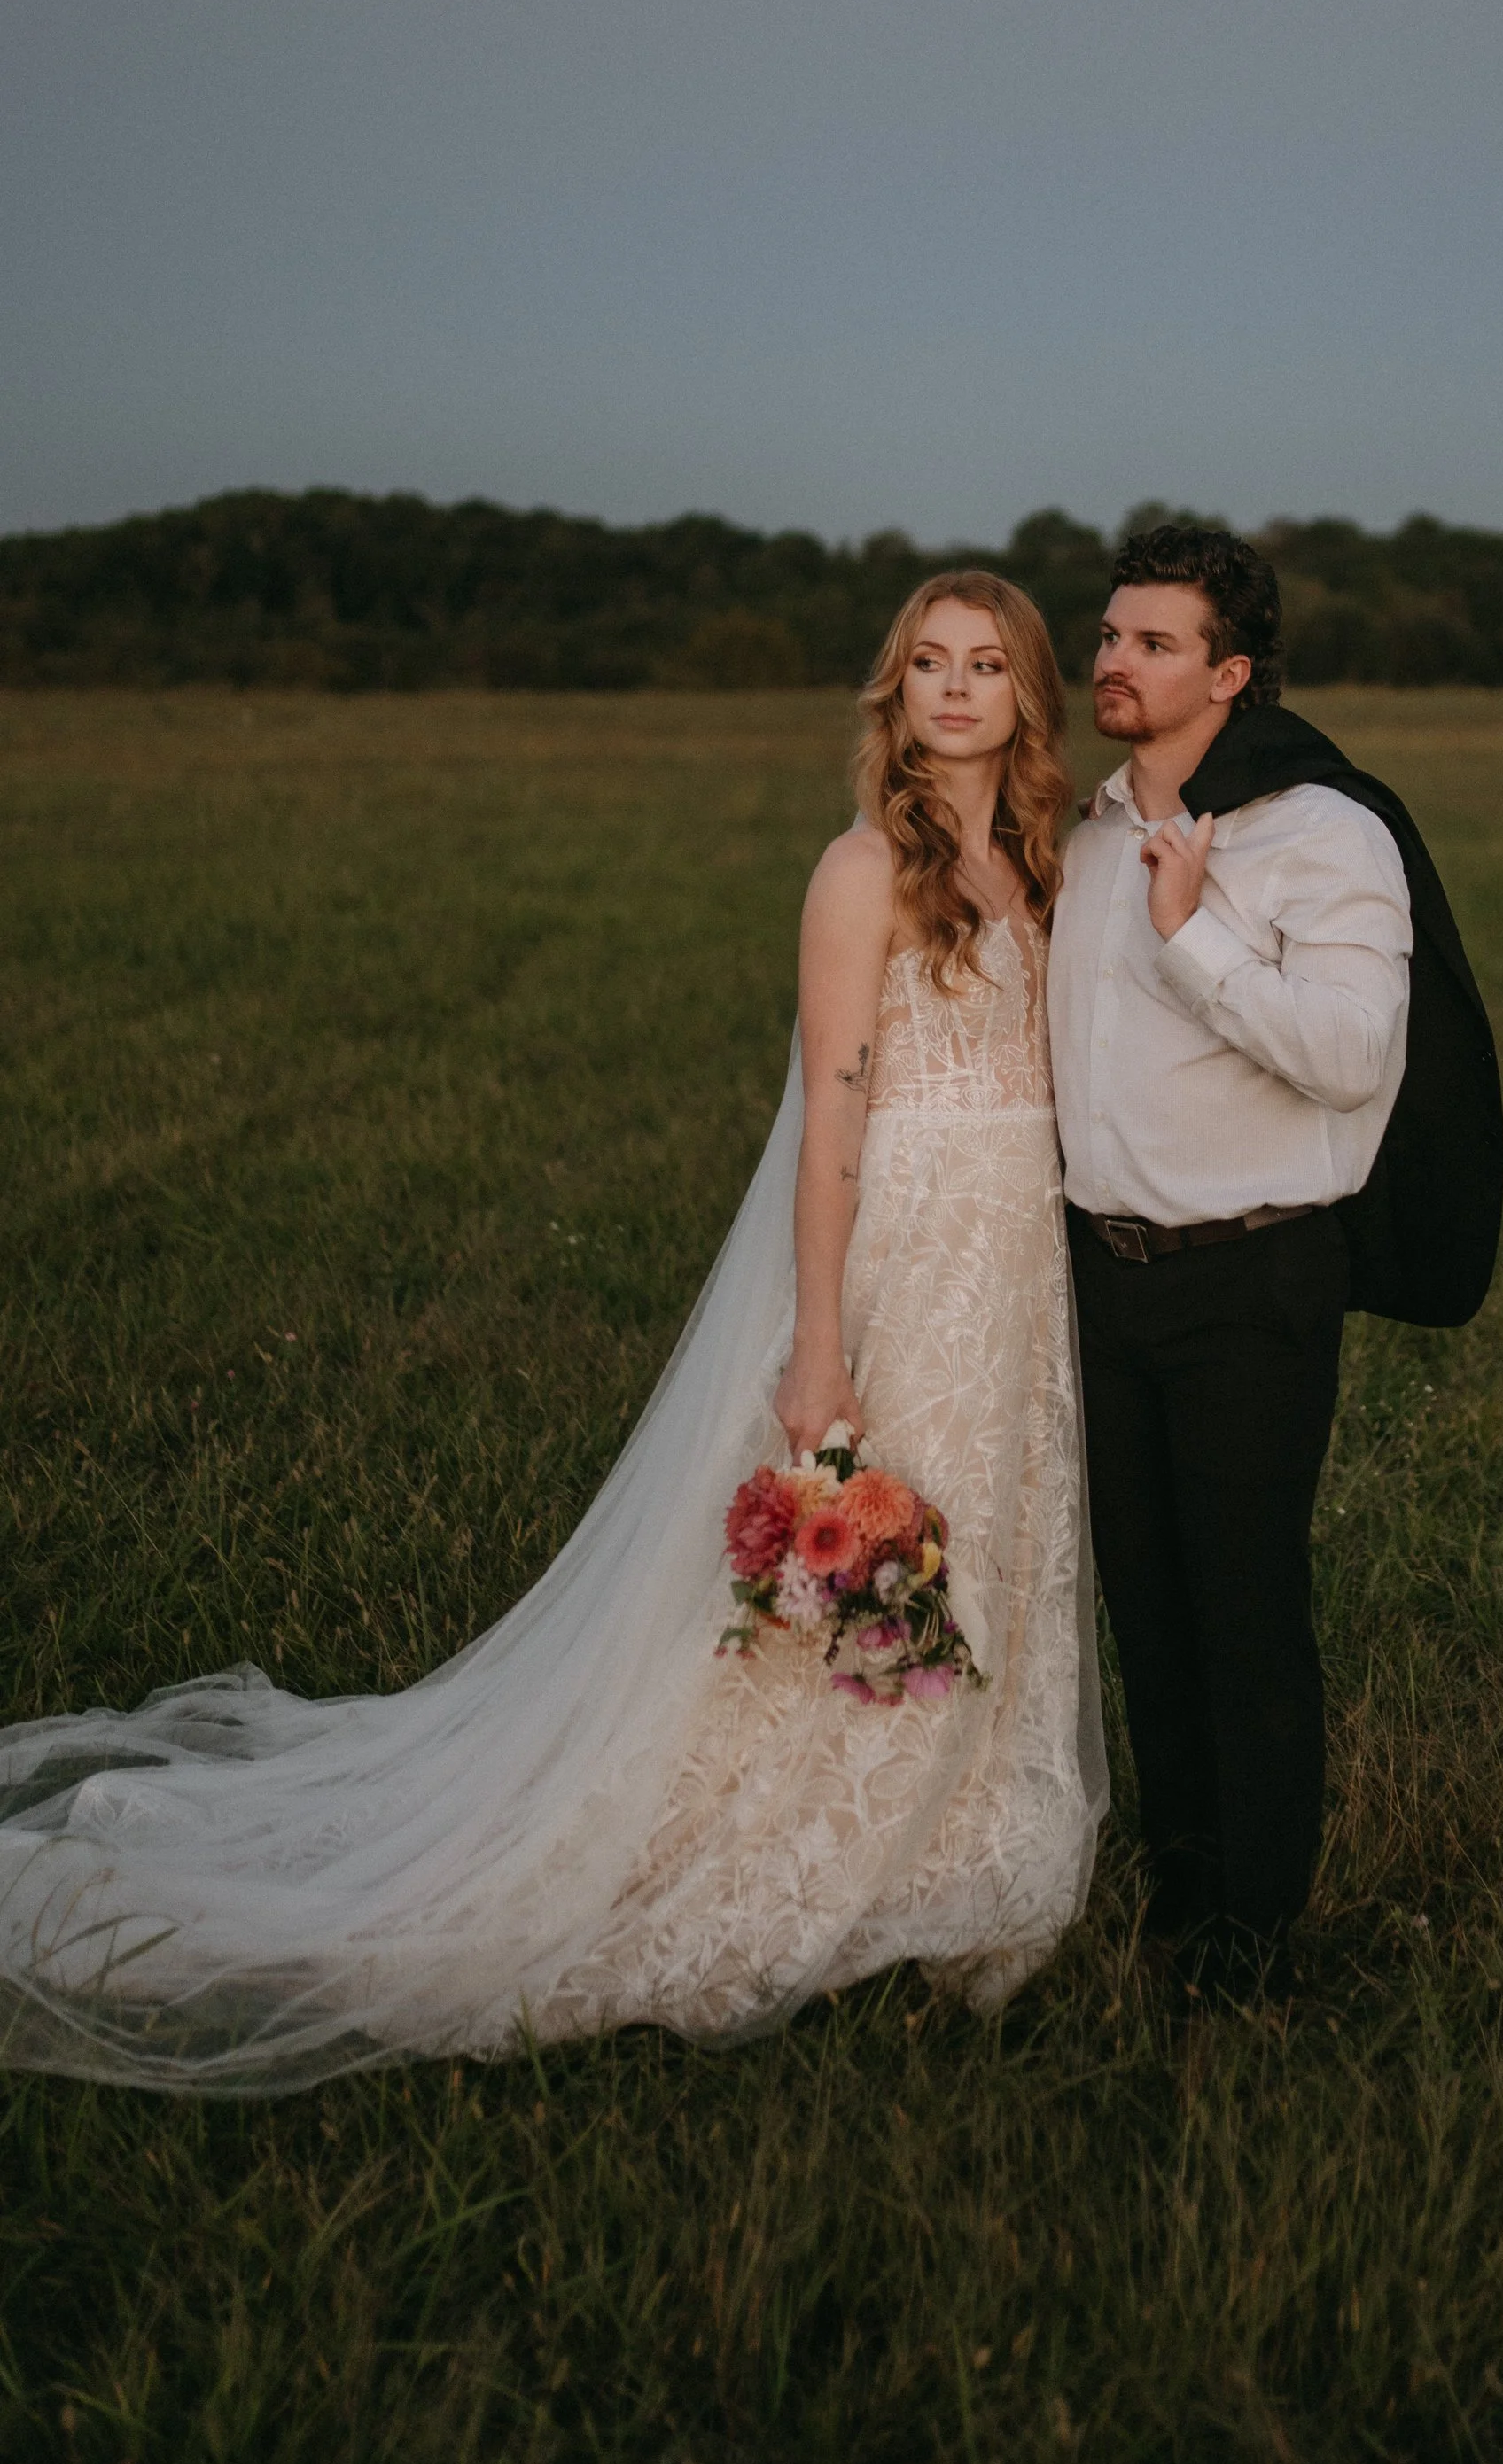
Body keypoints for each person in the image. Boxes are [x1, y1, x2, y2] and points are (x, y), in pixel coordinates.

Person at [0, 574, 1105, 2090]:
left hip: (1016, 1269)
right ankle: (812, 1845)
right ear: (895, 689)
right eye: (931, 663)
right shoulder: (864, 870)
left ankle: (968, 1831)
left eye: (989, 665)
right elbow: (833, 1109)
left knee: (997, 1528)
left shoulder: (1047, 864)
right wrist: (821, 1340)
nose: (959, 690)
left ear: (1029, 695)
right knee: (872, 1536)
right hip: (906, 1246)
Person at [1049, 524, 1500, 2003]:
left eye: (1155, 641)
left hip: (1251, 1280)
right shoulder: (1093, 828)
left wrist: (1197, 942)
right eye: (1110, 634)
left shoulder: (1325, 833)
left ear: (1231, 672)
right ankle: (1179, 1882)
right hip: (1100, 1277)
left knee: (1242, 1603)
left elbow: (1354, 1053)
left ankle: (1253, 1936)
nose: (1114, 660)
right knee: (1145, 1600)